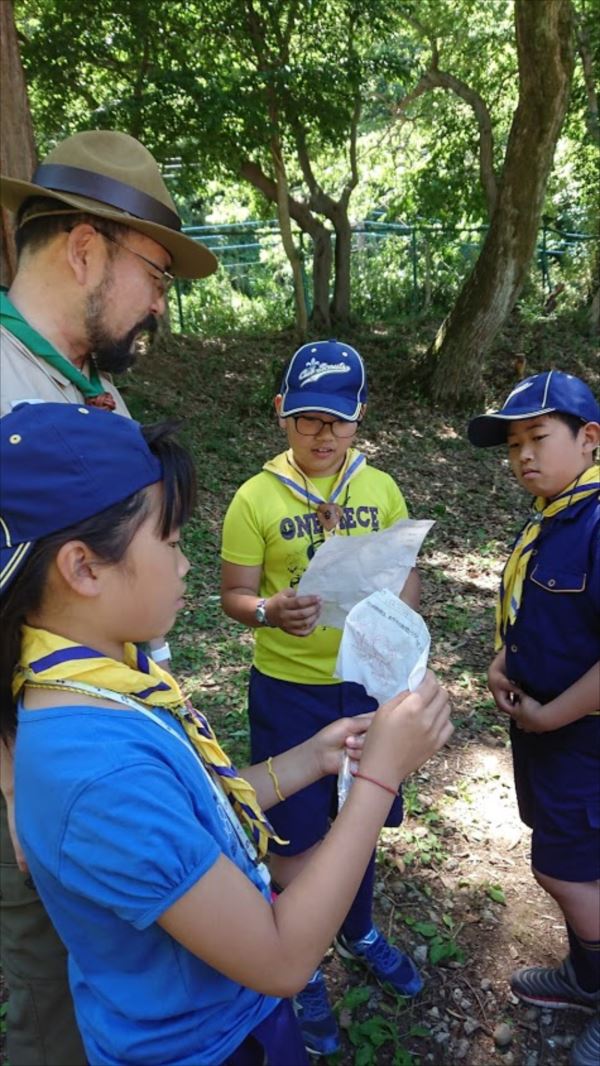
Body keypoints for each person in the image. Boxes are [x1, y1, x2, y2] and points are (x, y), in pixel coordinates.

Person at [0, 401, 453, 1066]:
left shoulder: (103, 684)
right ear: (83, 567)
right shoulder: (97, 771)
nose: (186, 565)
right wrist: (380, 777)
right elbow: (280, 959)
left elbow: (191, 810)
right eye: (173, 542)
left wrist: (307, 760)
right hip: (206, 1044)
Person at [0, 128, 216, 1065]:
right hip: (39, 786)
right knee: (56, 1010)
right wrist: (12, 781)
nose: (160, 307)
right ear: (84, 247)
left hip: (124, 743)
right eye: (156, 275)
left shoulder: (103, 403)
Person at [220, 339, 423, 1055]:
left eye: (336, 419)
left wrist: (401, 625)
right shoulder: (256, 497)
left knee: (361, 810)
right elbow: (233, 596)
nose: (322, 433)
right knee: (296, 830)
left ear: (360, 417)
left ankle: (358, 927)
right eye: (307, 418)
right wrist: (267, 611)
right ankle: (298, 966)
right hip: (289, 691)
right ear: (281, 413)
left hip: (365, 683)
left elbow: (407, 580)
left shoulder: (381, 487)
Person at [468, 371, 600, 1066]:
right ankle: (585, 975)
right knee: (565, 854)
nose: (521, 454)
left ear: (589, 438)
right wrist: (502, 660)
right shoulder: (553, 511)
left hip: (582, 739)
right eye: (512, 443)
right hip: (546, 732)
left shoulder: (598, 520)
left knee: (569, 870)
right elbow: (535, 611)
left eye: (537, 438)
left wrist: (554, 715)